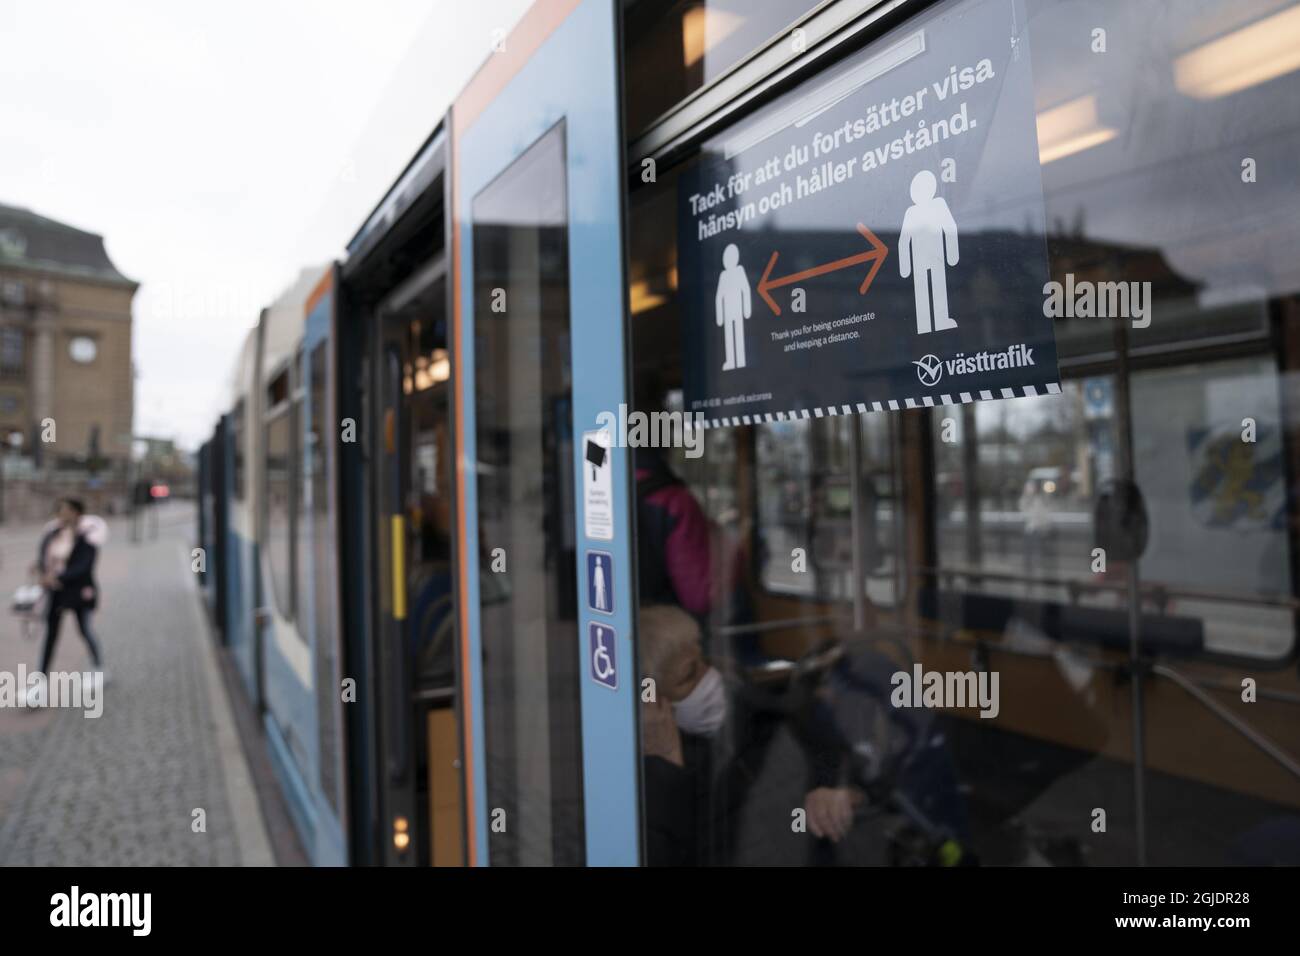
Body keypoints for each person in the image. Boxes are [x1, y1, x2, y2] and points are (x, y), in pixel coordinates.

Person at [29, 498, 108, 699]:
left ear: (76, 513)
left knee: (84, 629)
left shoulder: (88, 536)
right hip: (56, 592)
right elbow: (44, 557)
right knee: (51, 635)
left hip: (80, 592)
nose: (61, 514)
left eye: (65, 510)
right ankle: (40, 683)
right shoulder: (53, 534)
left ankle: (99, 667)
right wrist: (40, 570)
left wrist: (56, 576)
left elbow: (84, 566)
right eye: (60, 510)